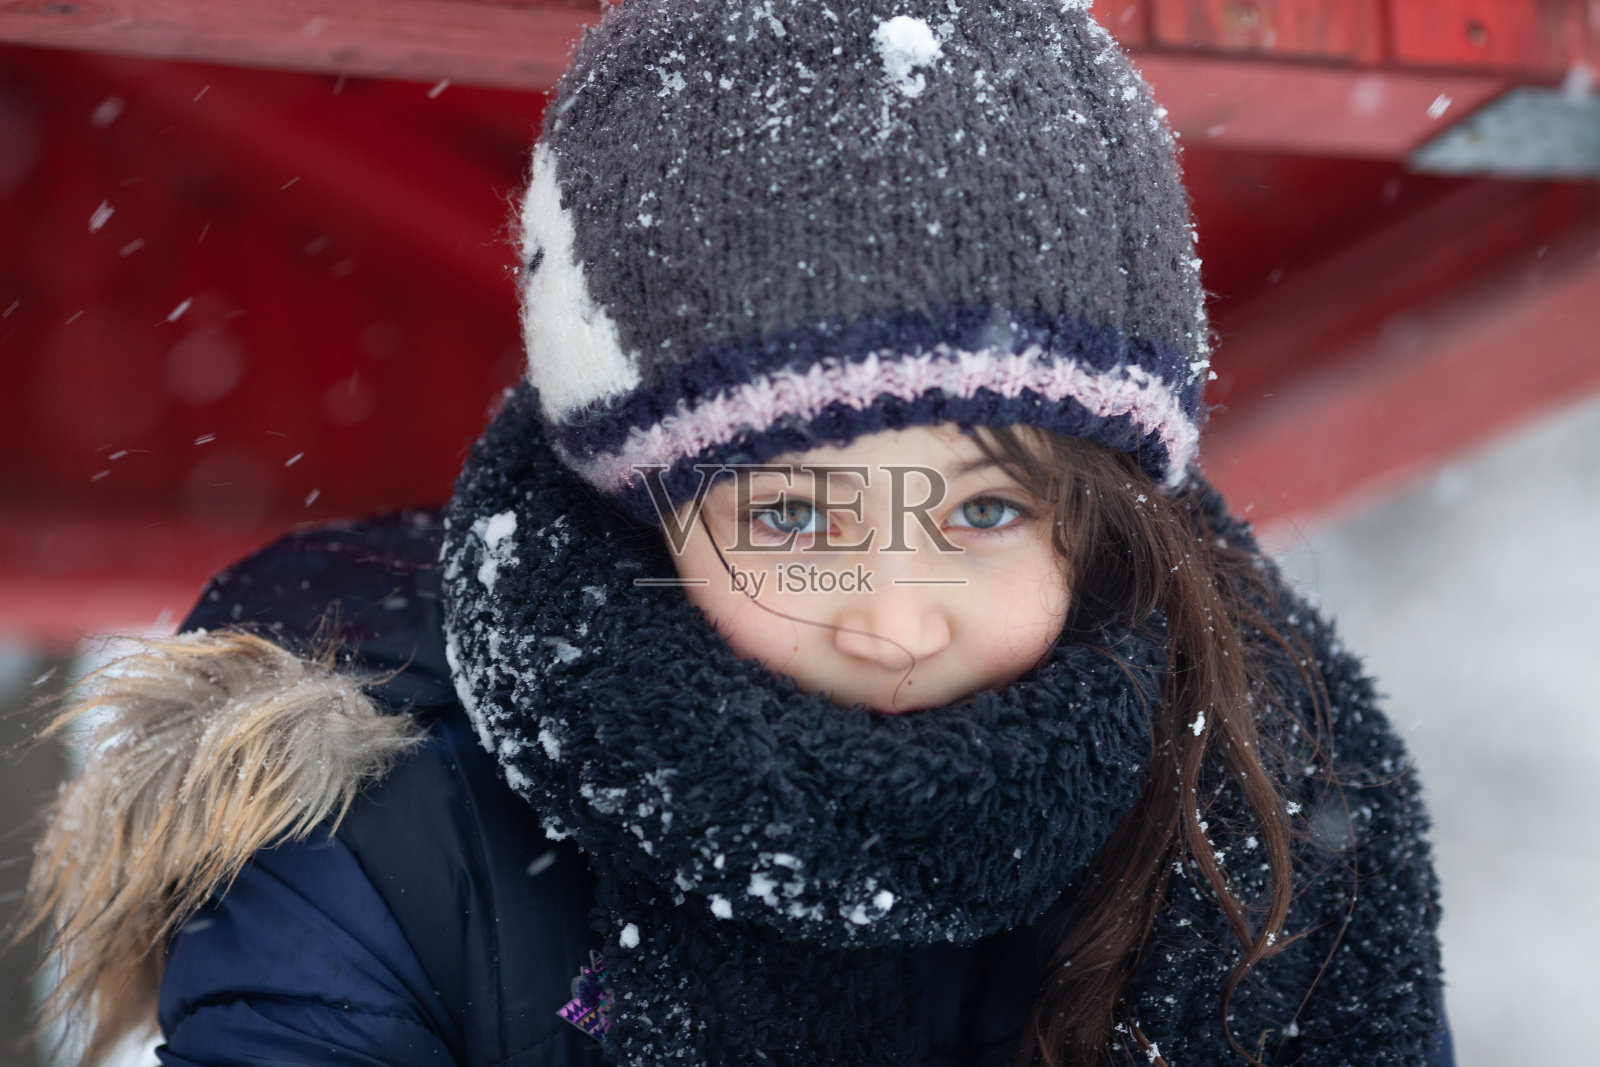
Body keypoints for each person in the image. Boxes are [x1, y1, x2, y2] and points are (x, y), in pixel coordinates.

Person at [19, 1, 1452, 1065]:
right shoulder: (373, 833)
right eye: (787, 513)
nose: (893, 614)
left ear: (1106, 533)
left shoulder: (1257, 813)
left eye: (990, 509)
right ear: (642, 513)